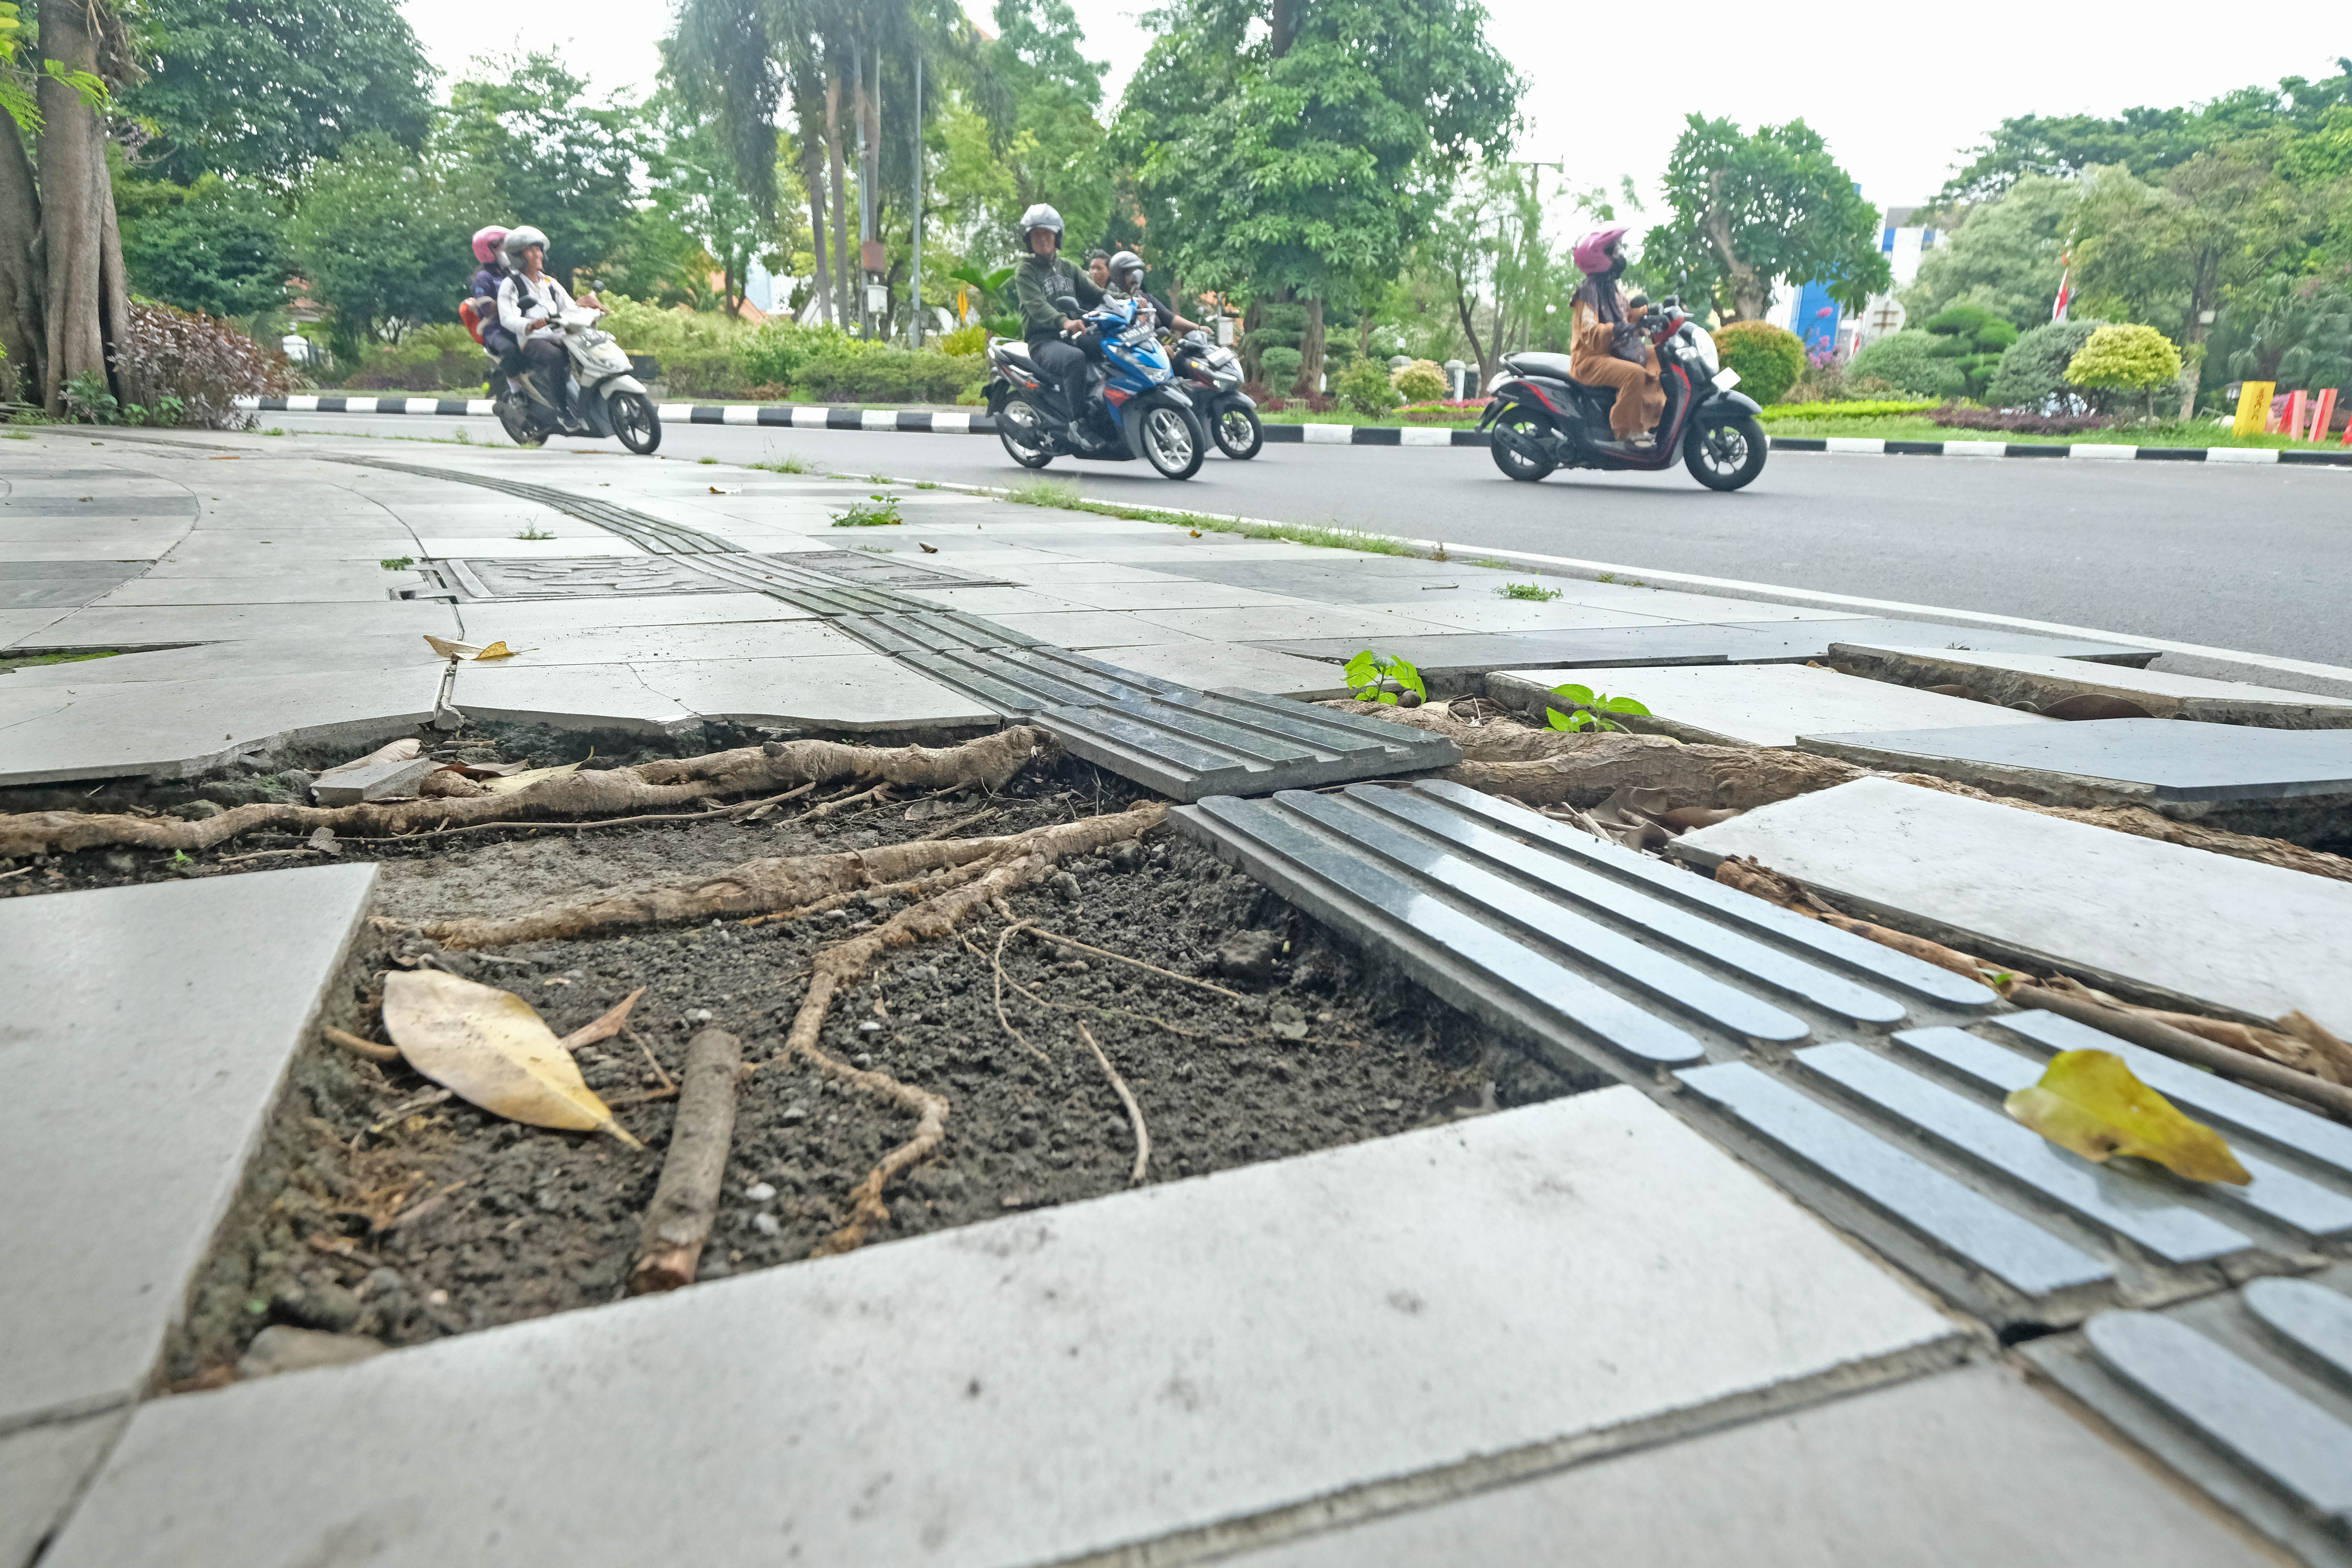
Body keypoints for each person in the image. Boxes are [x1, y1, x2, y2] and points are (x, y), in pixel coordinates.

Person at [1567, 225, 1665, 452]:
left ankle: (1654, 420)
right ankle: (1627, 431)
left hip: (1613, 351)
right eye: (1615, 252)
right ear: (1600, 257)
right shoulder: (1588, 293)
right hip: (1589, 360)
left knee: (1660, 356)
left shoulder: (1610, 288)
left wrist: (1648, 313)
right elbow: (1591, 333)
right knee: (1635, 375)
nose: (1620, 256)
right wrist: (1620, 329)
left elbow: (1626, 314)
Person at [1013, 203, 1105, 435]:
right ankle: (1078, 423)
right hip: (1043, 342)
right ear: (1029, 240)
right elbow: (1037, 305)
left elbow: (1097, 294)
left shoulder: (1069, 268)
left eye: (1047, 234)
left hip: (1071, 336)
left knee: (1108, 345)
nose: (1042, 240)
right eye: (1036, 235)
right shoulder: (1026, 270)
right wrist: (1063, 321)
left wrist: (1128, 301)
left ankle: (1102, 403)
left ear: (1057, 237)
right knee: (1075, 360)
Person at [497, 226, 582, 417]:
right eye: (531, 250)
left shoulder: (550, 283)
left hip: (559, 334)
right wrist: (528, 325)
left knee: (588, 351)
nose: (538, 254)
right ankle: (563, 409)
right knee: (555, 358)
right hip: (533, 339)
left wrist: (588, 312)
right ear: (519, 256)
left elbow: (570, 308)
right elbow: (507, 317)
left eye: (539, 249)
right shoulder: (511, 284)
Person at [1103, 250, 1205, 338]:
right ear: (1119, 276)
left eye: (1138, 273)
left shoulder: (1146, 299)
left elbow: (1169, 318)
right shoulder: (1113, 304)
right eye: (1131, 274)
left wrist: (1199, 328)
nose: (1137, 278)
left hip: (1158, 354)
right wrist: (1160, 346)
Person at [468, 226, 521, 381]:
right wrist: (507, 296)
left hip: (516, 324)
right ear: (489, 251)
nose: (507, 250)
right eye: (502, 246)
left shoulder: (513, 273)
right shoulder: (484, 278)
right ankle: (515, 389)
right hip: (496, 330)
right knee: (510, 350)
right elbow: (487, 311)